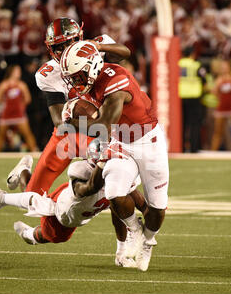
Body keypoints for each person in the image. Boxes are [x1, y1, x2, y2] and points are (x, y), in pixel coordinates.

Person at [28, 18, 132, 262]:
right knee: (32, 198)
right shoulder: (48, 73)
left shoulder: (96, 46)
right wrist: (92, 123)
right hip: (71, 131)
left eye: (70, 43)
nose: (64, 51)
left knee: (116, 186)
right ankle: (26, 178)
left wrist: (96, 48)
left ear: (79, 38)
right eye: (59, 46)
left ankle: (123, 246)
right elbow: (58, 121)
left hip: (107, 127)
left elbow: (125, 53)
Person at [60, 41, 169, 271]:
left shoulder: (116, 85)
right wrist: (95, 44)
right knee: (114, 192)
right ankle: (134, 229)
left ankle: (148, 241)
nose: (75, 81)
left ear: (91, 67)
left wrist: (73, 123)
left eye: (78, 76)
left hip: (148, 141)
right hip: (122, 140)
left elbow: (104, 125)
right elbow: (126, 50)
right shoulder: (98, 71)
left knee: (157, 208)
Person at [0, 140, 146, 268]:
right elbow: (89, 188)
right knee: (46, 221)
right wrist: (103, 166)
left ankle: (20, 175)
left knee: (52, 225)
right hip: (63, 207)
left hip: (78, 213)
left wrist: (126, 248)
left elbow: (121, 211)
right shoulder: (82, 172)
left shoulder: (119, 178)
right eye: (110, 160)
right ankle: (8, 206)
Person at [0, 65, 37, 152]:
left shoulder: (22, 85)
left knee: (27, 134)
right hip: (6, 114)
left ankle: (34, 151)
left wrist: (21, 105)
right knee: (1, 135)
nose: (19, 73)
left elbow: (28, 99)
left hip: (19, 114)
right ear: (12, 72)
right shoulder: (4, 84)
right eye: (17, 71)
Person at [178, 46, 207, 153]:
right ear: (192, 54)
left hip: (180, 97)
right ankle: (194, 148)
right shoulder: (196, 65)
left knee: (182, 123)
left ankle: (181, 147)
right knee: (194, 124)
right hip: (194, 97)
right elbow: (204, 80)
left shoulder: (177, 64)